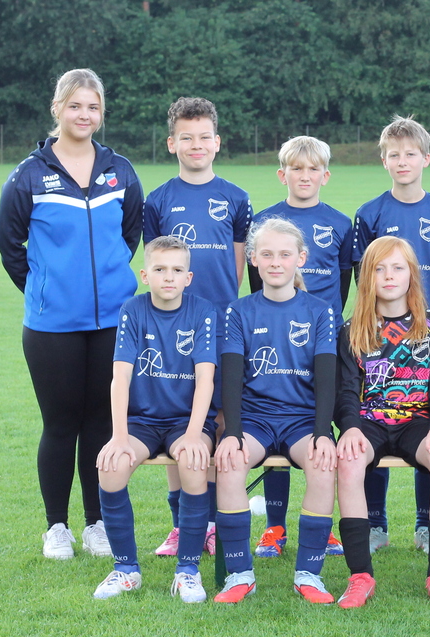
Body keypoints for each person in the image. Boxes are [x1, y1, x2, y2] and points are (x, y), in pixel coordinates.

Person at [0, 68, 143, 560]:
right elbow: (9, 245)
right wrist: (46, 290)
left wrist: (106, 285)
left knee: (101, 424)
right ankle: (56, 527)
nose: (85, 115)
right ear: (57, 108)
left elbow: (129, 234)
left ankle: (96, 523)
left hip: (113, 324)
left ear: (101, 113)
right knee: (60, 425)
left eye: (93, 107)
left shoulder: (120, 170)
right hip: (52, 326)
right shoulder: (28, 174)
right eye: (75, 105)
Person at [143, 96, 252, 559]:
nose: (196, 144)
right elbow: (156, 262)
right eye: (186, 137)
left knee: (216, 419)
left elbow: (239, 264)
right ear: (172, 143)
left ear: (217, 142)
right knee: (176, 418)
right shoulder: (159, 199)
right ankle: (179, 525)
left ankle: (208, 523)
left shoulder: (236, 197)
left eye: (204, 137)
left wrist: (223, 310)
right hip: (174, 328)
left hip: (223, 326)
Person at [212, 217, 338, 604]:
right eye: (266, 254)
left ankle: (308, 575)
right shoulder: (239, 311)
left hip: (302, 420)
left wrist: (321, 433)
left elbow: (327, 379)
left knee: (321, 465)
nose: (276, 262)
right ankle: (239, 575)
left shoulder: (320, 311)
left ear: (301, 258)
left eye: (285, 254)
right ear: (252, 259)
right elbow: (230, 379)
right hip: (254, 420)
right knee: (230, 463)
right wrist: (232, 432)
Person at [335, 236, 430, 609]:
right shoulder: (352, 329)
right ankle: (360, 576)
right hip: (370, 421)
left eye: (398, 267)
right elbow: (345, 391)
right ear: (366, 277)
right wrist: (351, 428)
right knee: (350, 461)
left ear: (412, 275)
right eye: (379, 268)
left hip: (417, 421)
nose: (389, 276)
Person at [92, 237, 217, 602]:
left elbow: (206, 378)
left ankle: (188, 570)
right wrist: (117, 437)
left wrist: (195, 435)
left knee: (193, 464)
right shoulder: (133, 310)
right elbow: (121, 378)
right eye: (160, 270)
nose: (169, 277)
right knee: (111, 467)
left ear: (188, 277)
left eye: (177, 270)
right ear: (145, 275)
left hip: (185, 421)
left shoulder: (202, 311)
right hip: (142, 422)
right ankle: (126, 569)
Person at [352, 116, 430, 555]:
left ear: (426, 159)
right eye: (394, 154)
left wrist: (418, 313)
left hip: (422, 325)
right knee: (375, 408)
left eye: (410, 153)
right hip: (377, 328)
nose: (402, 160)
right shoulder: (370, 213)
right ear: (383, 160)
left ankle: (424, 521)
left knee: (423, 411)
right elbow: (362, 273)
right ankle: (374, 522)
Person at [248, 135, 350, 560]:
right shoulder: (265, 219)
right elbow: (259, 286)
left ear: (324, 175)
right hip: (274, 340)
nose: (304, 176)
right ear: (282, 173)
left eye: (312, 169)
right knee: (276, 418)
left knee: (319, 425)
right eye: (296, 169)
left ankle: (322, 525)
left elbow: (344, 283)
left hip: (323, 340)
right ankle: (274, 526)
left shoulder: (341, 222)